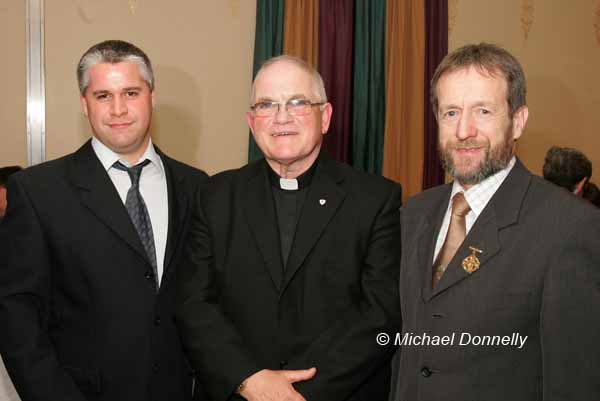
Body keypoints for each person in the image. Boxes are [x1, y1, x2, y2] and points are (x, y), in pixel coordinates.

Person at [176, 55, 401, 401]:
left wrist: (297, 394)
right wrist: (248, 380)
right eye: (267, 105)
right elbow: (194, 303)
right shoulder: (215, 196)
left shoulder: (375, 199)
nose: (282, 118)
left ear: (324, 116)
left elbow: (378, 316)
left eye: (297, 102)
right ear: (252, 123)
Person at [390, 43, 600, 400]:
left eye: (483, 111)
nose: (463, 130)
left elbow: (574, 380)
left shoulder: (570, 226)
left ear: (518, 121)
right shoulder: (414, 213)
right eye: (451, 113)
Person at [0, 40, 208, 401]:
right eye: (102, 96)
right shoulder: (38, 192)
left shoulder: (197, 186)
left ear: (152, 96)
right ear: (84, 104)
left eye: (130, 92)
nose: (118, 109)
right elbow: (16, 314)